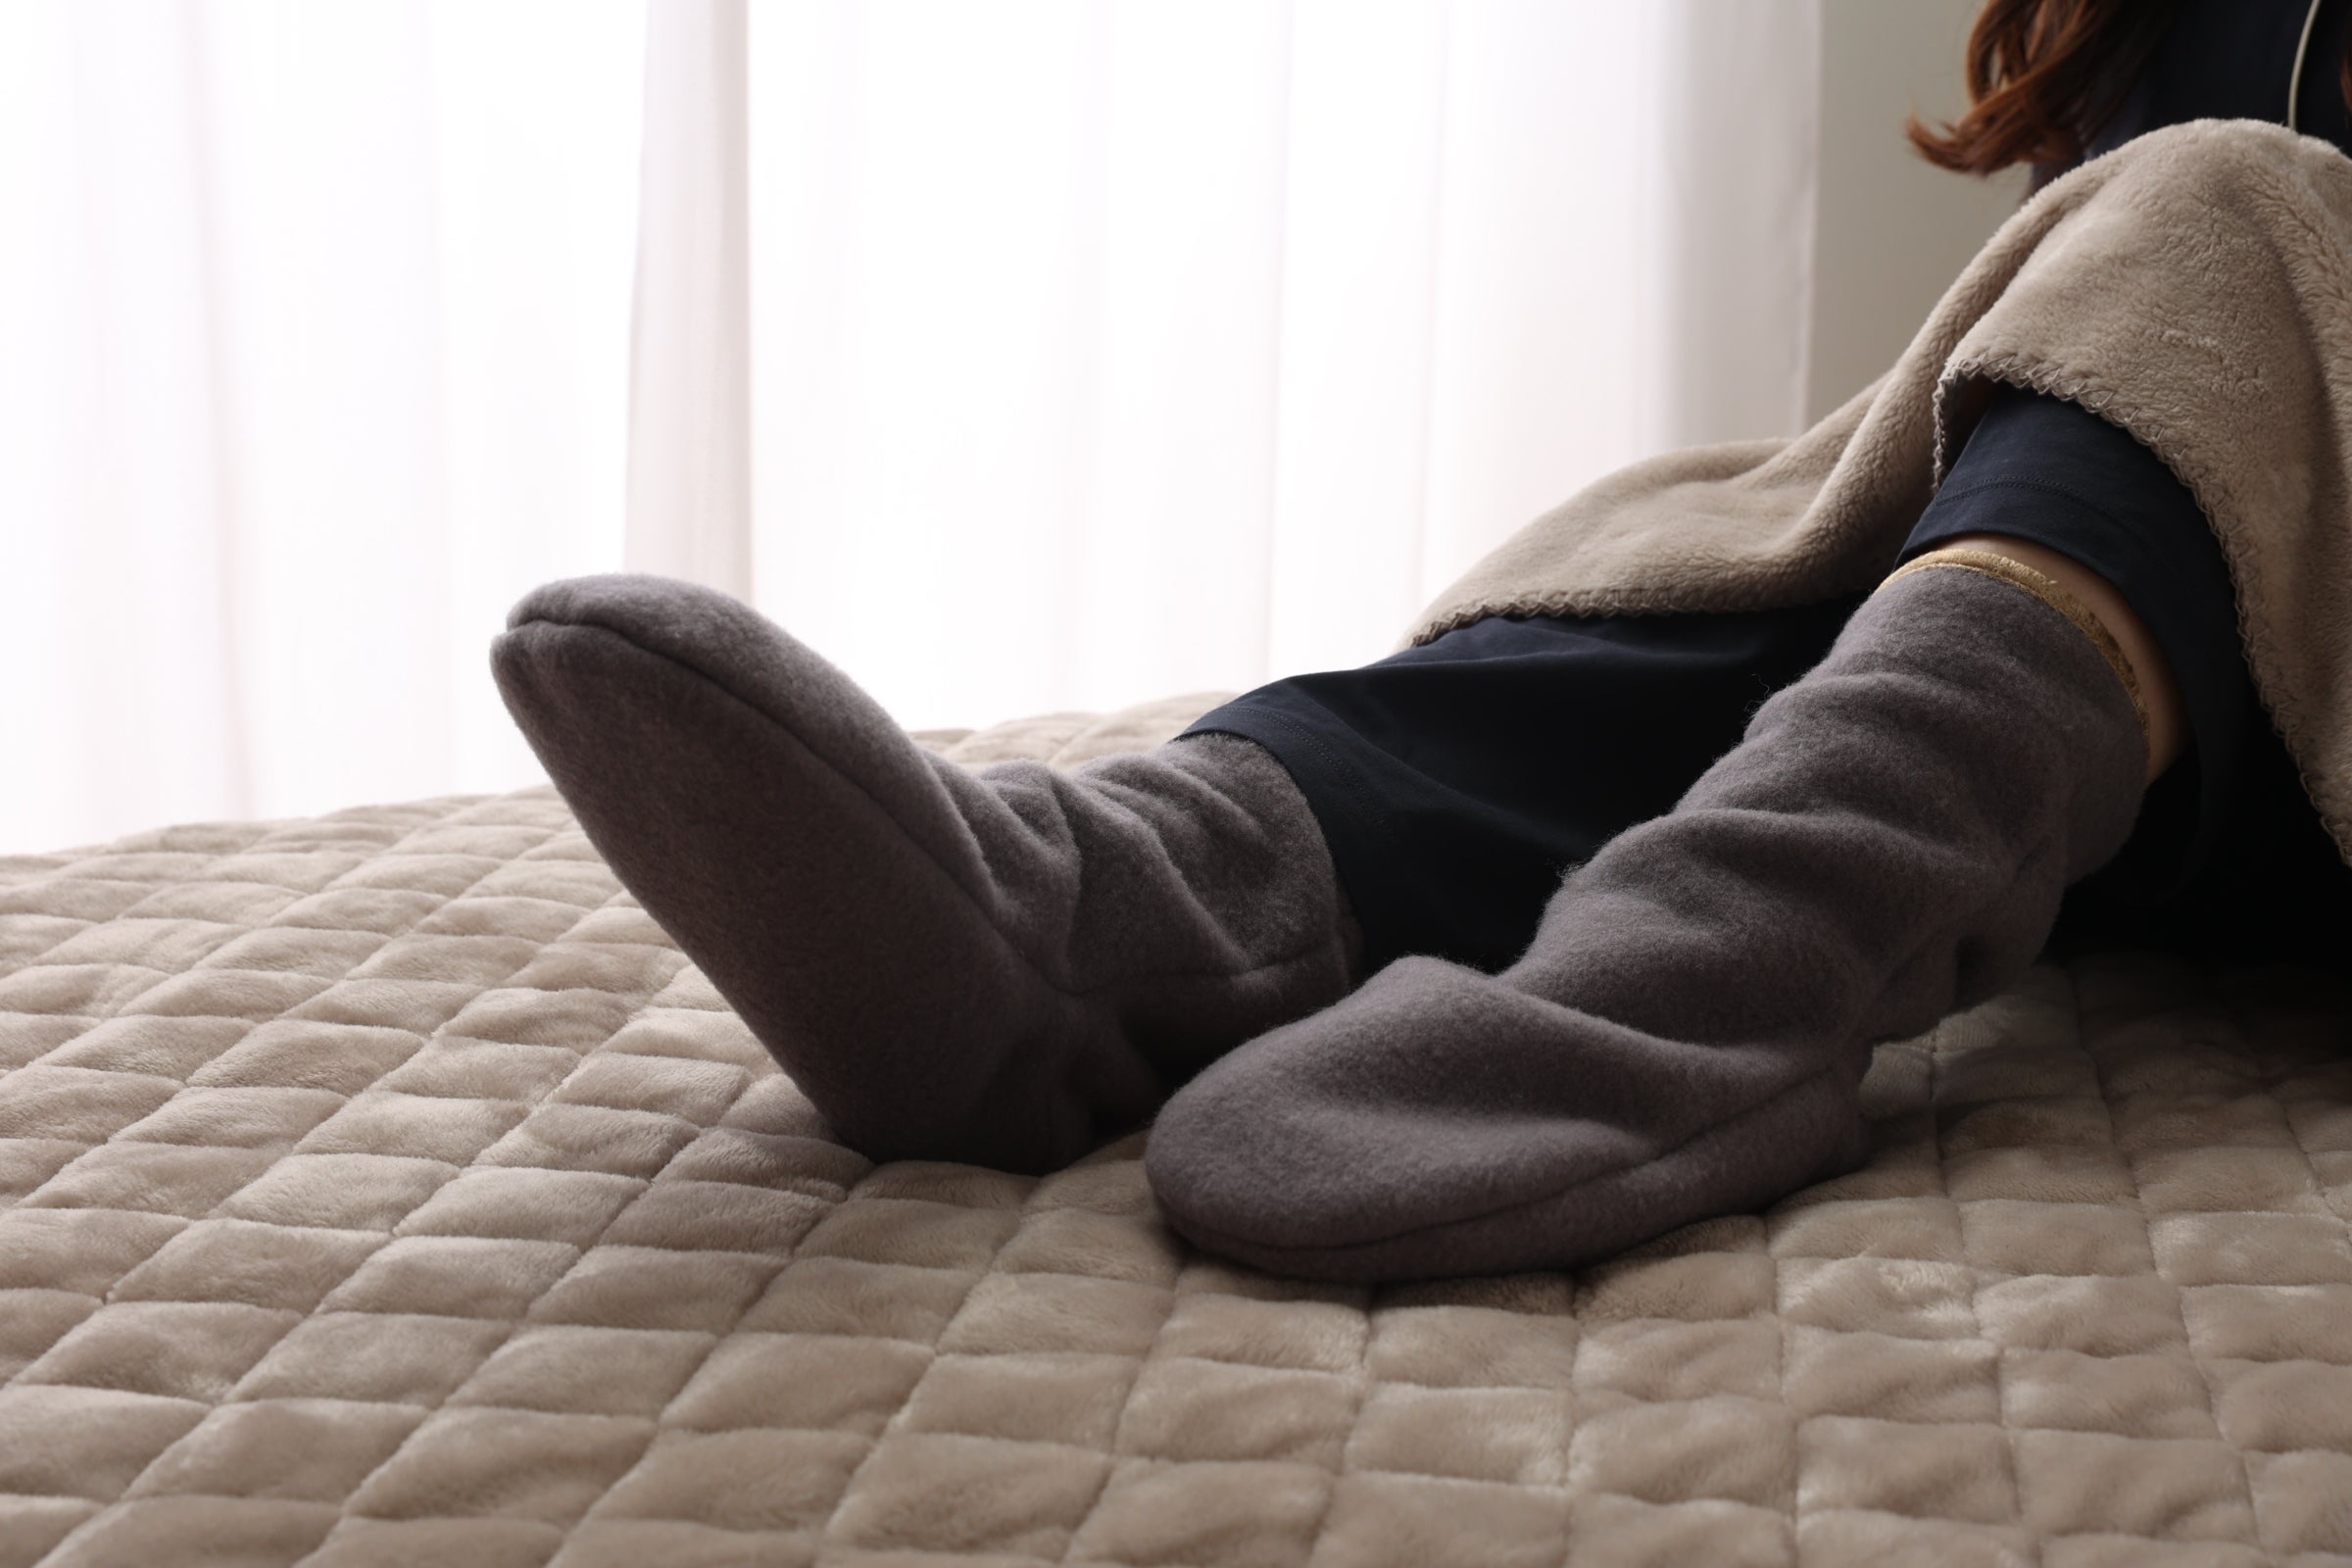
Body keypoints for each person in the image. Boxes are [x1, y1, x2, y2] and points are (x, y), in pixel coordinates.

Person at [493, 0, 2352, 1282]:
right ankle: (1113, 921)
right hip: (2214, 722)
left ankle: (1716, 976)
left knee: (2216, 207)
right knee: (1755, 545)